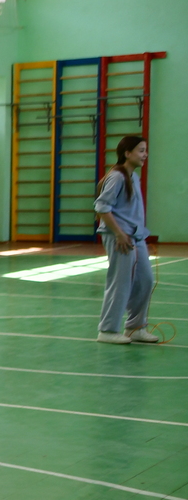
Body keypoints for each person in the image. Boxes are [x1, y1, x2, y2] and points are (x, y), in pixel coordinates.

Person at [95, 136, 158, 344]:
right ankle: (108, 330)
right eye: (141, 150)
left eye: (145, 150)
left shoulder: (133, 177)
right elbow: (102, 207)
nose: (145, 154)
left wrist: (135, 233)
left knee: (145, 280)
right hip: (119, 237)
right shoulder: (117, 177)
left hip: (135, 236)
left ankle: (135, 327)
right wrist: (120, 233)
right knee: (120, 282)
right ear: (127, 153)